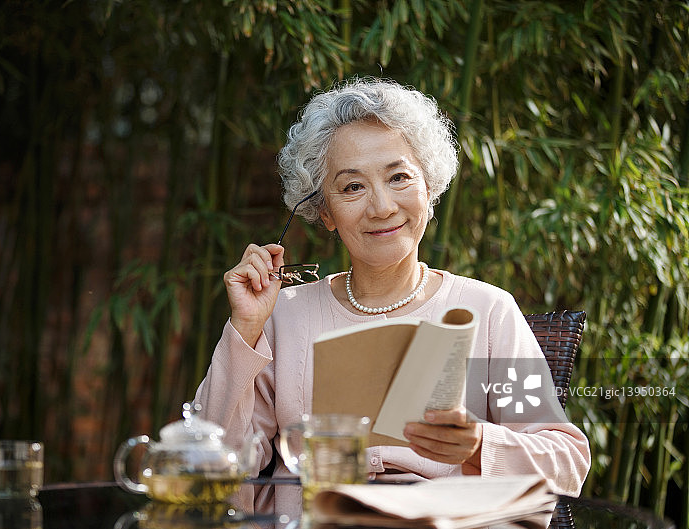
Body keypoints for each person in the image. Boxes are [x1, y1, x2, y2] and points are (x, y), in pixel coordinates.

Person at [194, 77, 590, 499]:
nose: (382, 206)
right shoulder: (283, 316)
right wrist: (246, 328)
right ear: (325, 212)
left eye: (399, 177)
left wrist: (478, 447)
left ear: (429, 187)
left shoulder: (488, 310)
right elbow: (211, 465)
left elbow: (564, 460)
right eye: (352, 187)